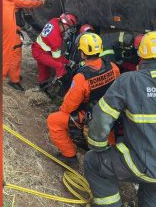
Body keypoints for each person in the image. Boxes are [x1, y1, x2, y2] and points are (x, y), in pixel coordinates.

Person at [84, 31, 156, 207]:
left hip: (139, 164)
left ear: (140, 56)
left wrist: (98, 145)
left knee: (92, 162)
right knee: (152, 197)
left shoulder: (129, 81)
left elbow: (102, 117)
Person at [47, 33, 120, 165]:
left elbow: (68, 107)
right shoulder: (113, 67)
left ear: (82, 54)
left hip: (92, 116)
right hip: (111, 116)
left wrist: (62, 110)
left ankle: (70, 156)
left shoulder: (82, 77)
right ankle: (110, 147)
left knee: (54, 120)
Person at [3, 0, 61, 91]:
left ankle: (12, 75)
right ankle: (8, 78)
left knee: (11, 46)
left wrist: (37, 3)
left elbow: (20, 2)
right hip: (5, 17)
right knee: (12, 47)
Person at [31, 13, 77, 88]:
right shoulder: (56, 39)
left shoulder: (54, 20)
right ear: (65, 25)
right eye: (69, 28)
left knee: (44, 71)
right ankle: (56, 87)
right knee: (60, 66)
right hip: (41, 53)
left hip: (37, 48)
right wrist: (69, 63)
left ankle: (42, 85)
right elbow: (57, 58)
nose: (68, 30)